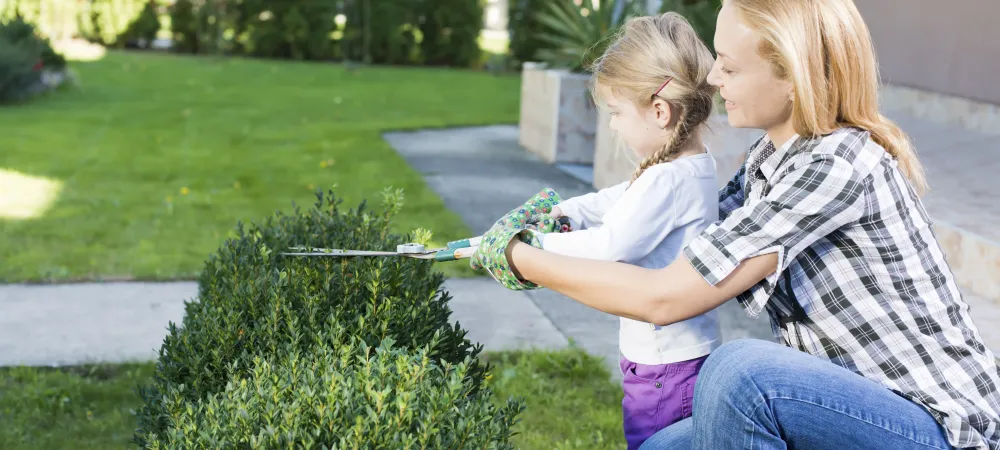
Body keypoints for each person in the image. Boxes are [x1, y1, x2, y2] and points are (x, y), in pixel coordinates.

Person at [470, 0, 1000, 449]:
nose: (711, 77)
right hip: (847, 405)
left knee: (741, 373)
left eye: (729, 65)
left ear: (792, 75)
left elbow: (666, 297)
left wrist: (521, 257)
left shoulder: (836, 165)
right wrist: (562, 219)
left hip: (936, 427)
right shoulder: (770, 161)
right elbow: (693, 238)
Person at [542, 12, 721, 449]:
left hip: (665, 370)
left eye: (617, 112)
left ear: (659, 111)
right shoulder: (685, 166)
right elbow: (617, 200)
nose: (613, 125)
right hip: (672, 360)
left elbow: (608, 246)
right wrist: (565, 211)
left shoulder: (669, 179)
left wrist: (536, 245)